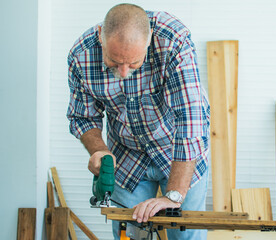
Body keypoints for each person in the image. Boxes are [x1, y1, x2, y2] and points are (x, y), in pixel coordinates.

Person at [66, 3, 210, 240]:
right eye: (114, 61)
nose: (123, 72)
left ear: (149, 40)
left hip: (179, 150)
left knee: (184, 235)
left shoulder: (173, 40)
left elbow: (190, 120)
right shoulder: (81, 55)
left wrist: (173, 195)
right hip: (127, 155)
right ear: (101, 36)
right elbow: (82, 117)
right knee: (131, 235)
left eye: (133, 63)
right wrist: (100, 151)